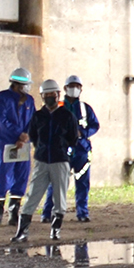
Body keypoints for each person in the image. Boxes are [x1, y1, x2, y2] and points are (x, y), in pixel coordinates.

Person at [16, 79, 81, 242]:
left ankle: (55, 230)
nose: (50, 97)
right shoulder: (38, 116)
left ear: (58, 95)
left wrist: (64, 151)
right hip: (42, 161)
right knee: (32, 196)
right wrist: (42, 150)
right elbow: (34, 137)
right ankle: (22, 232)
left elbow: (73, 139)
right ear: (42, 96)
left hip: (60, 161)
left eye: (53, 94)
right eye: (47, 94)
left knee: (60, 198)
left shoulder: (67, 116)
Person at [41, 75, 98, 223]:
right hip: (60, 151)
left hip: (81, 151)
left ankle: (82, 213)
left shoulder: (85, 109)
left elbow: (94, 126)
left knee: (83, 183)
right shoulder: (56, 106)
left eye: (77, 86)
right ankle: (47, 214)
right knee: (55, 183)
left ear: (81, 89)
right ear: (65, 89)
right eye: (71, 86)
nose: (75, 89)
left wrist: (83, 133)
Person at [0, 67, 36, 227]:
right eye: (26, 84)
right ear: (17, 84)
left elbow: (32, 120)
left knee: (21, 176)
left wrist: (26, 136)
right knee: (3, 176)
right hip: (6, 144)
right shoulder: (1, 98)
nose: (28, 87)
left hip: (23, 145)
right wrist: (18, 135)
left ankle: (14, 212)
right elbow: (1, 121)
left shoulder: (29, 100)